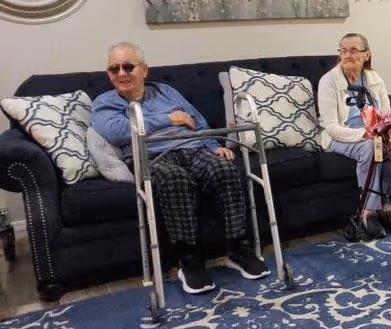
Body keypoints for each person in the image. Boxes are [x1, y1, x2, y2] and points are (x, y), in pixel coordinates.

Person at [91, 42, 269, 295]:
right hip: (153, 155)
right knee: (175, 179)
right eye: (114, 68)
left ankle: (237, 248)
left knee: (225, 168)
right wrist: (168, 119)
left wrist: (211, 144)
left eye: (128, 66)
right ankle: (189, 259)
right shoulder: (105, 102)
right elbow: (117, 131)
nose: (121, 73)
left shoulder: (165, 92)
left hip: (192, 147)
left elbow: (195, 119)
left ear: (144, 70)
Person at [317, 33, 391, 240]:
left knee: (390, 148)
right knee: (369, 149)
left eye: (354, 50)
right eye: (343, 50)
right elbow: (331, 127)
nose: (347, 55)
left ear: (366, 55)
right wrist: (364, 134)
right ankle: (368, 213)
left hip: (374, 132)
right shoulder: (328, 81)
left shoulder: (375, 79)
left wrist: (390, 131)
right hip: (341, 135)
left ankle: (388, 208)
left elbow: (386, 114)